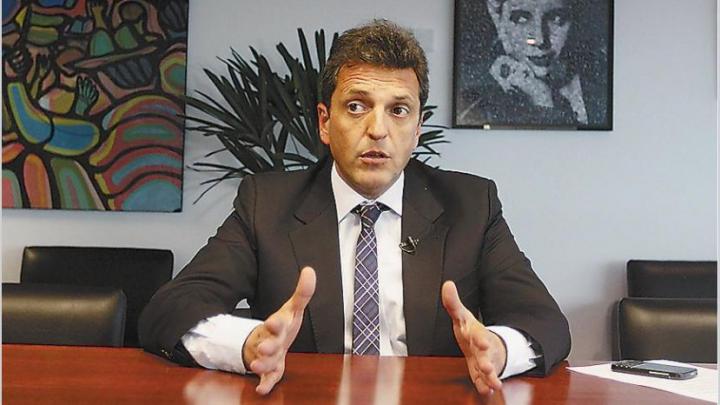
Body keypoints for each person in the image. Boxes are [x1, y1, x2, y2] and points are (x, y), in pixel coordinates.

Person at [139, 19, 570, 396]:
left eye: (398, 110)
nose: (377, 129)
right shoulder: (266, 205)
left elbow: (546, 323)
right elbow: (169, 310)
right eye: (357, 106)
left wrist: (500, 349)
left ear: (418, 129)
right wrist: (247, 344)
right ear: (325, 122)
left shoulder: (471, 206)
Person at [457, 0, 607, 128]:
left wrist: (543, 98)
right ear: (498, 21)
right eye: (521, 19)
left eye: (556, 18)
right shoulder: (474, 98)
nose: (540, 39)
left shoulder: (603, 81)